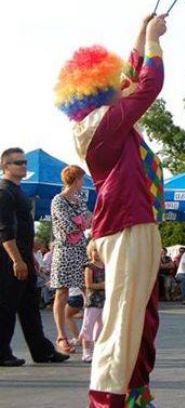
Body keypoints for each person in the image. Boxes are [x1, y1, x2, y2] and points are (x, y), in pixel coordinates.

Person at [54, 13, 168, 405]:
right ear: (101, 92)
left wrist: (140, 35)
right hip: (126, 224)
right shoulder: (102, 123)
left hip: (135, 223)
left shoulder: (106, 119)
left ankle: (135, 393)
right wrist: (153, 41)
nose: (123, 85)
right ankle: (107, 399)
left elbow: (132, 79)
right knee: (123, 316)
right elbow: (148, 84)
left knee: (141, 316)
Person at [0, 147, 69, 367]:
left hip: (23, 256)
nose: (23, 165)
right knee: (7, 306)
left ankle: (42, 351)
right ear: (5, 166)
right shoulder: (4, 191)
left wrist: (31, 260)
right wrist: (17, 260)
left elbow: (24, 232)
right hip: (9, 259)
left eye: (24, 162)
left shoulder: (18, 192)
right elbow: (5, 231)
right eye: (18, 163)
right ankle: (2, 352)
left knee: (29, 305)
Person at [50, 164, 91, 354]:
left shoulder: (80, 199)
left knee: (89, 291)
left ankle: (89, 335)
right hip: (64, 251)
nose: (83, 183)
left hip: (81, 250)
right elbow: (68, 226)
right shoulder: (58, 200)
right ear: (75, 179)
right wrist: (83, 222)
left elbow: (88, 219)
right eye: (82, 179)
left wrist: (82, 222)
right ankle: (61, 336)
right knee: (62, 293)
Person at [80, 240, 105, 363]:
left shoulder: (107, 266)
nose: (97, 253)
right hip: (93, 301)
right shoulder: (89, 267)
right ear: (90, 251)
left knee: (101, 326)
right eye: (95, 250)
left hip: (104, 301)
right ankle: (86, 352)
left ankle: (98, 351)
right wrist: (103, 285)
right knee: (88, 326)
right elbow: (88, 285)